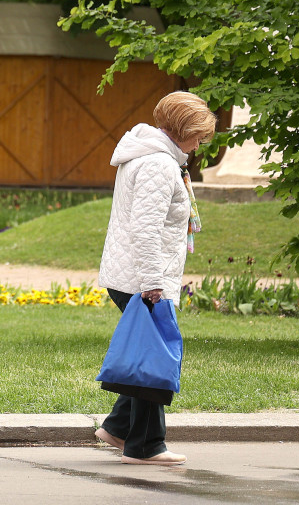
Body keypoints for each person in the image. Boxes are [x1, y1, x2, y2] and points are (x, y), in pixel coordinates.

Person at [95, 91, 216, 466]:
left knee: (149, 353)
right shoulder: (159, 165)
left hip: (134, 273)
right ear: (182, 129)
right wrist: (153, 285)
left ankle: (117, 428)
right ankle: (145, 445)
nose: (200, 144)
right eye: (198, 135)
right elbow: (145, 230)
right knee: (155, 357)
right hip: (142, 277)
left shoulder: (153, 156)